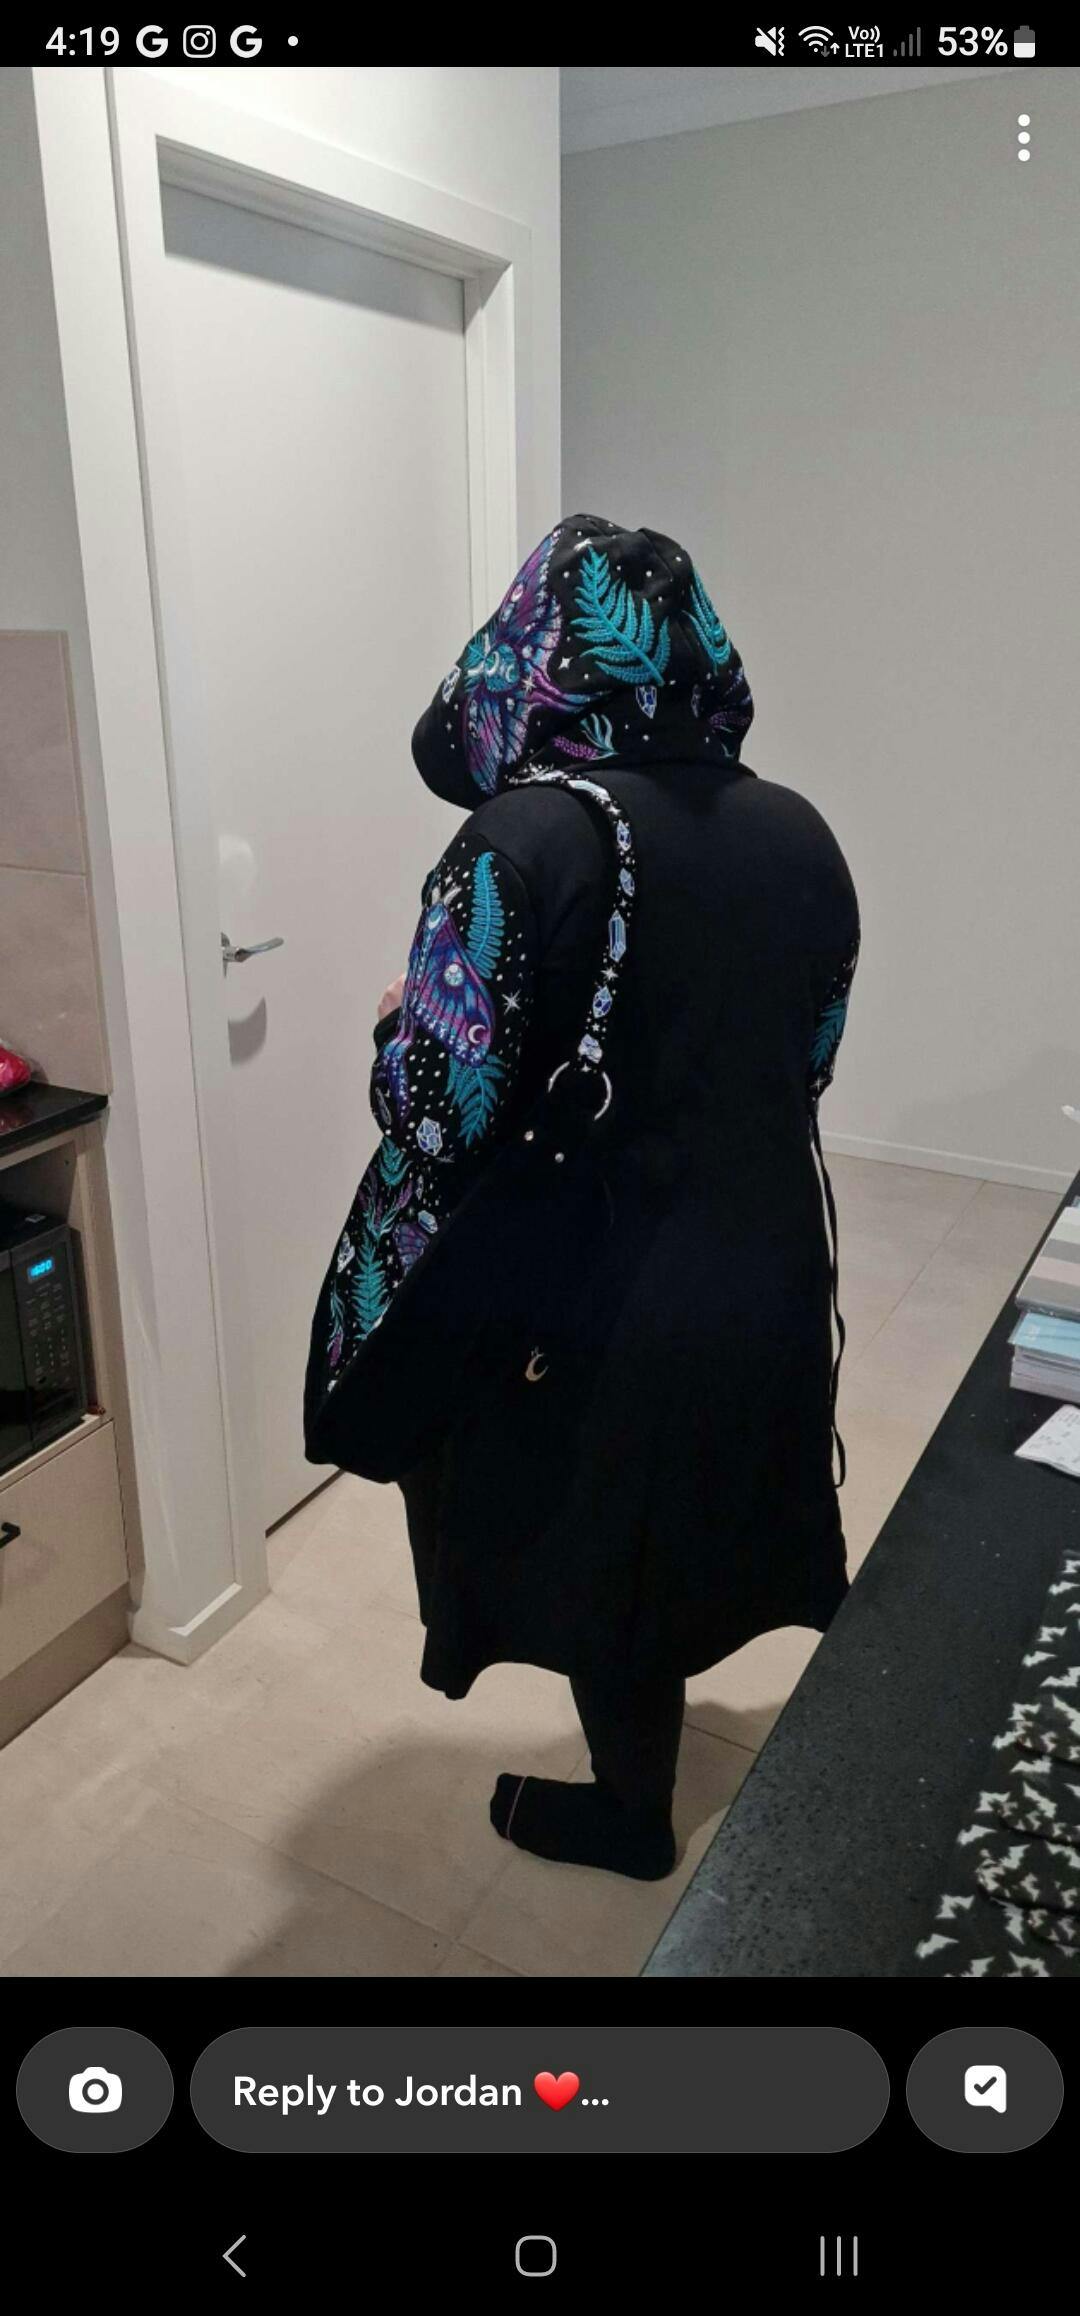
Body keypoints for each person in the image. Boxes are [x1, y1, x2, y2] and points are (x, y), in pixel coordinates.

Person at [357, 515, 858, 1881]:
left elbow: (437, 1116)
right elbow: (808, 1060)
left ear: (534, 647)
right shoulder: (800, 832)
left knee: (598, 1545)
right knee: (690, 1514)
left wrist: (399, 1023)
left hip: (593, 1290)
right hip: (764, 1262)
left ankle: (630, 1813)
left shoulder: (520, 839)